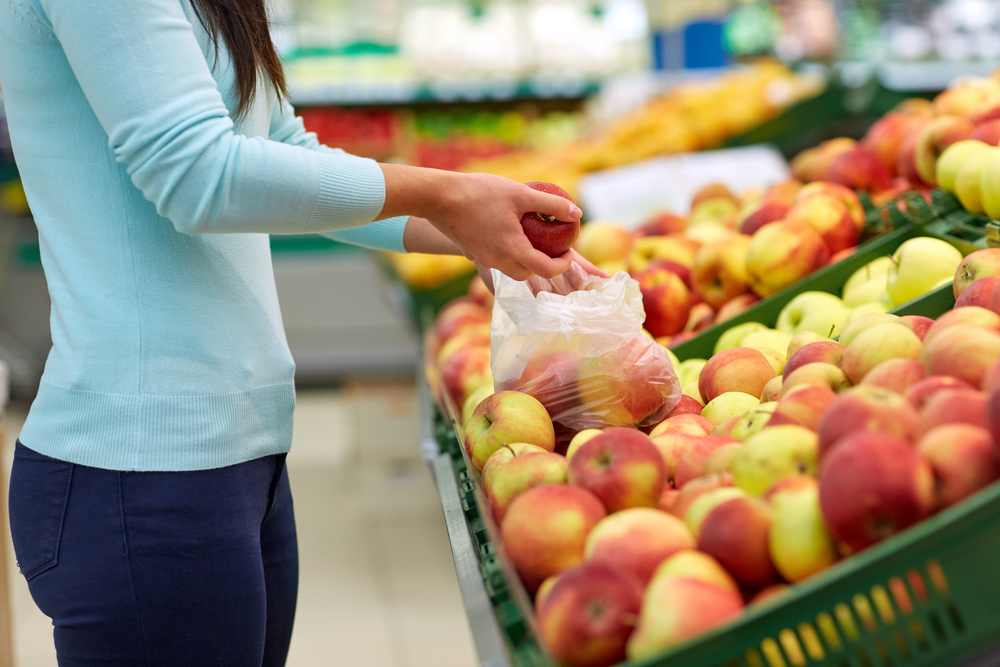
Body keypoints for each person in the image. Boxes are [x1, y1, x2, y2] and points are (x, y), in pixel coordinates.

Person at [0, 1, 598, 664]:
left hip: (239, 453)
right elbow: (198, 174)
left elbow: (281, 151)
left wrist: (473, 231)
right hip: (139, 469)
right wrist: (447, 194)